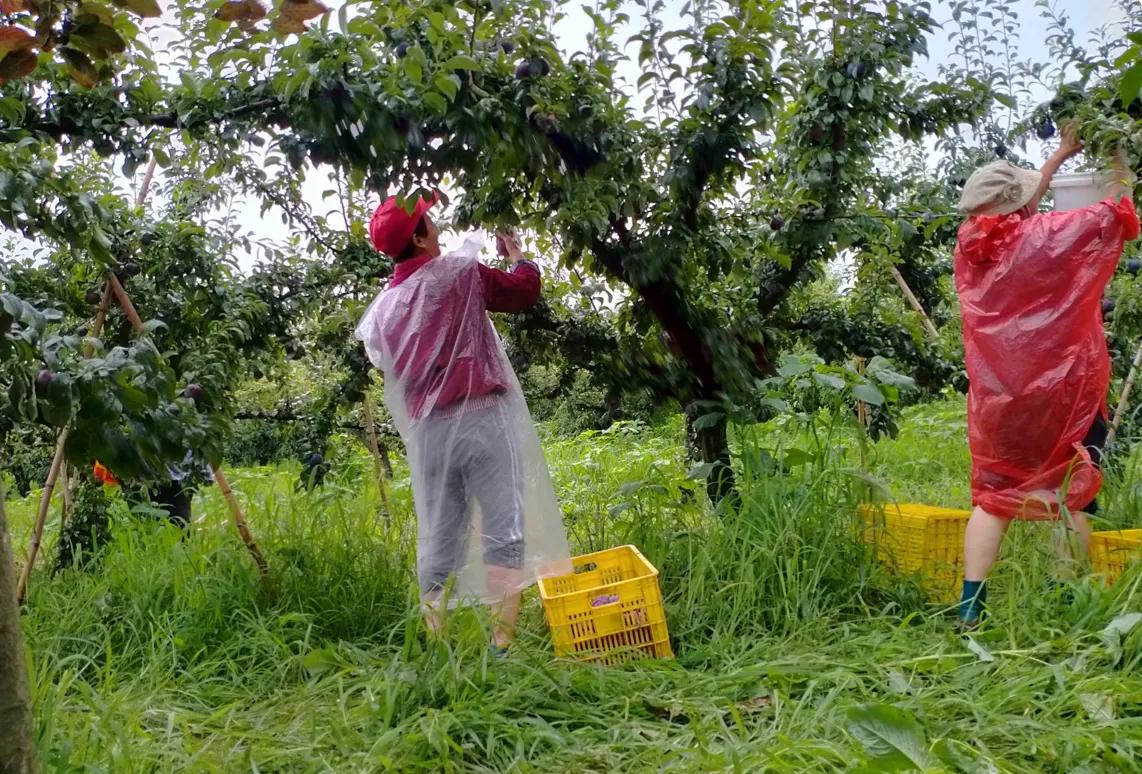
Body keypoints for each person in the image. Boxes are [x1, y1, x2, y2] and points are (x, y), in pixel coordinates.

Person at [354, 193, 571, 653]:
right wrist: (519, 257)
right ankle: (502, 646)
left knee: (439, 533)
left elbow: (393, 367)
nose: (436, 230)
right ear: (417, 237)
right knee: (504, 527)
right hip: (482, 420)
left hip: (429, 434)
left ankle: (435, 644)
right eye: (429, 224)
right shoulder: (458, 273)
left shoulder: (382, 313)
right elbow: (522, 293)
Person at [954, 129, 1140, 629]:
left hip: (1000, 400)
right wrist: (1118, 155)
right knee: (1071, 495)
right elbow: (1118, 207)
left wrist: (1058, 155)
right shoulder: (1051, 237)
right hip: (1066, 394)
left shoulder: (972, 245)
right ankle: (1066, 606)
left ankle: (970, 608)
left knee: (993, 498)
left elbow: (1012, 210)